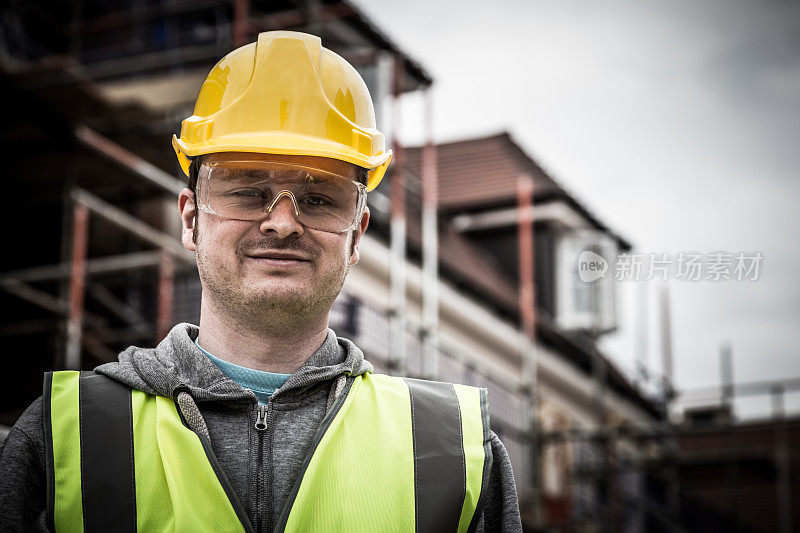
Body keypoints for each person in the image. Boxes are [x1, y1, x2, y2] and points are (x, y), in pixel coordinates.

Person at [0, 31, 523, 532]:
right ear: (190, 219)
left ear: (357, 233)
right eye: (248, 191)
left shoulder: (456, 452)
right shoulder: (64, 438)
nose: (282, 221)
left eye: (319, 198)